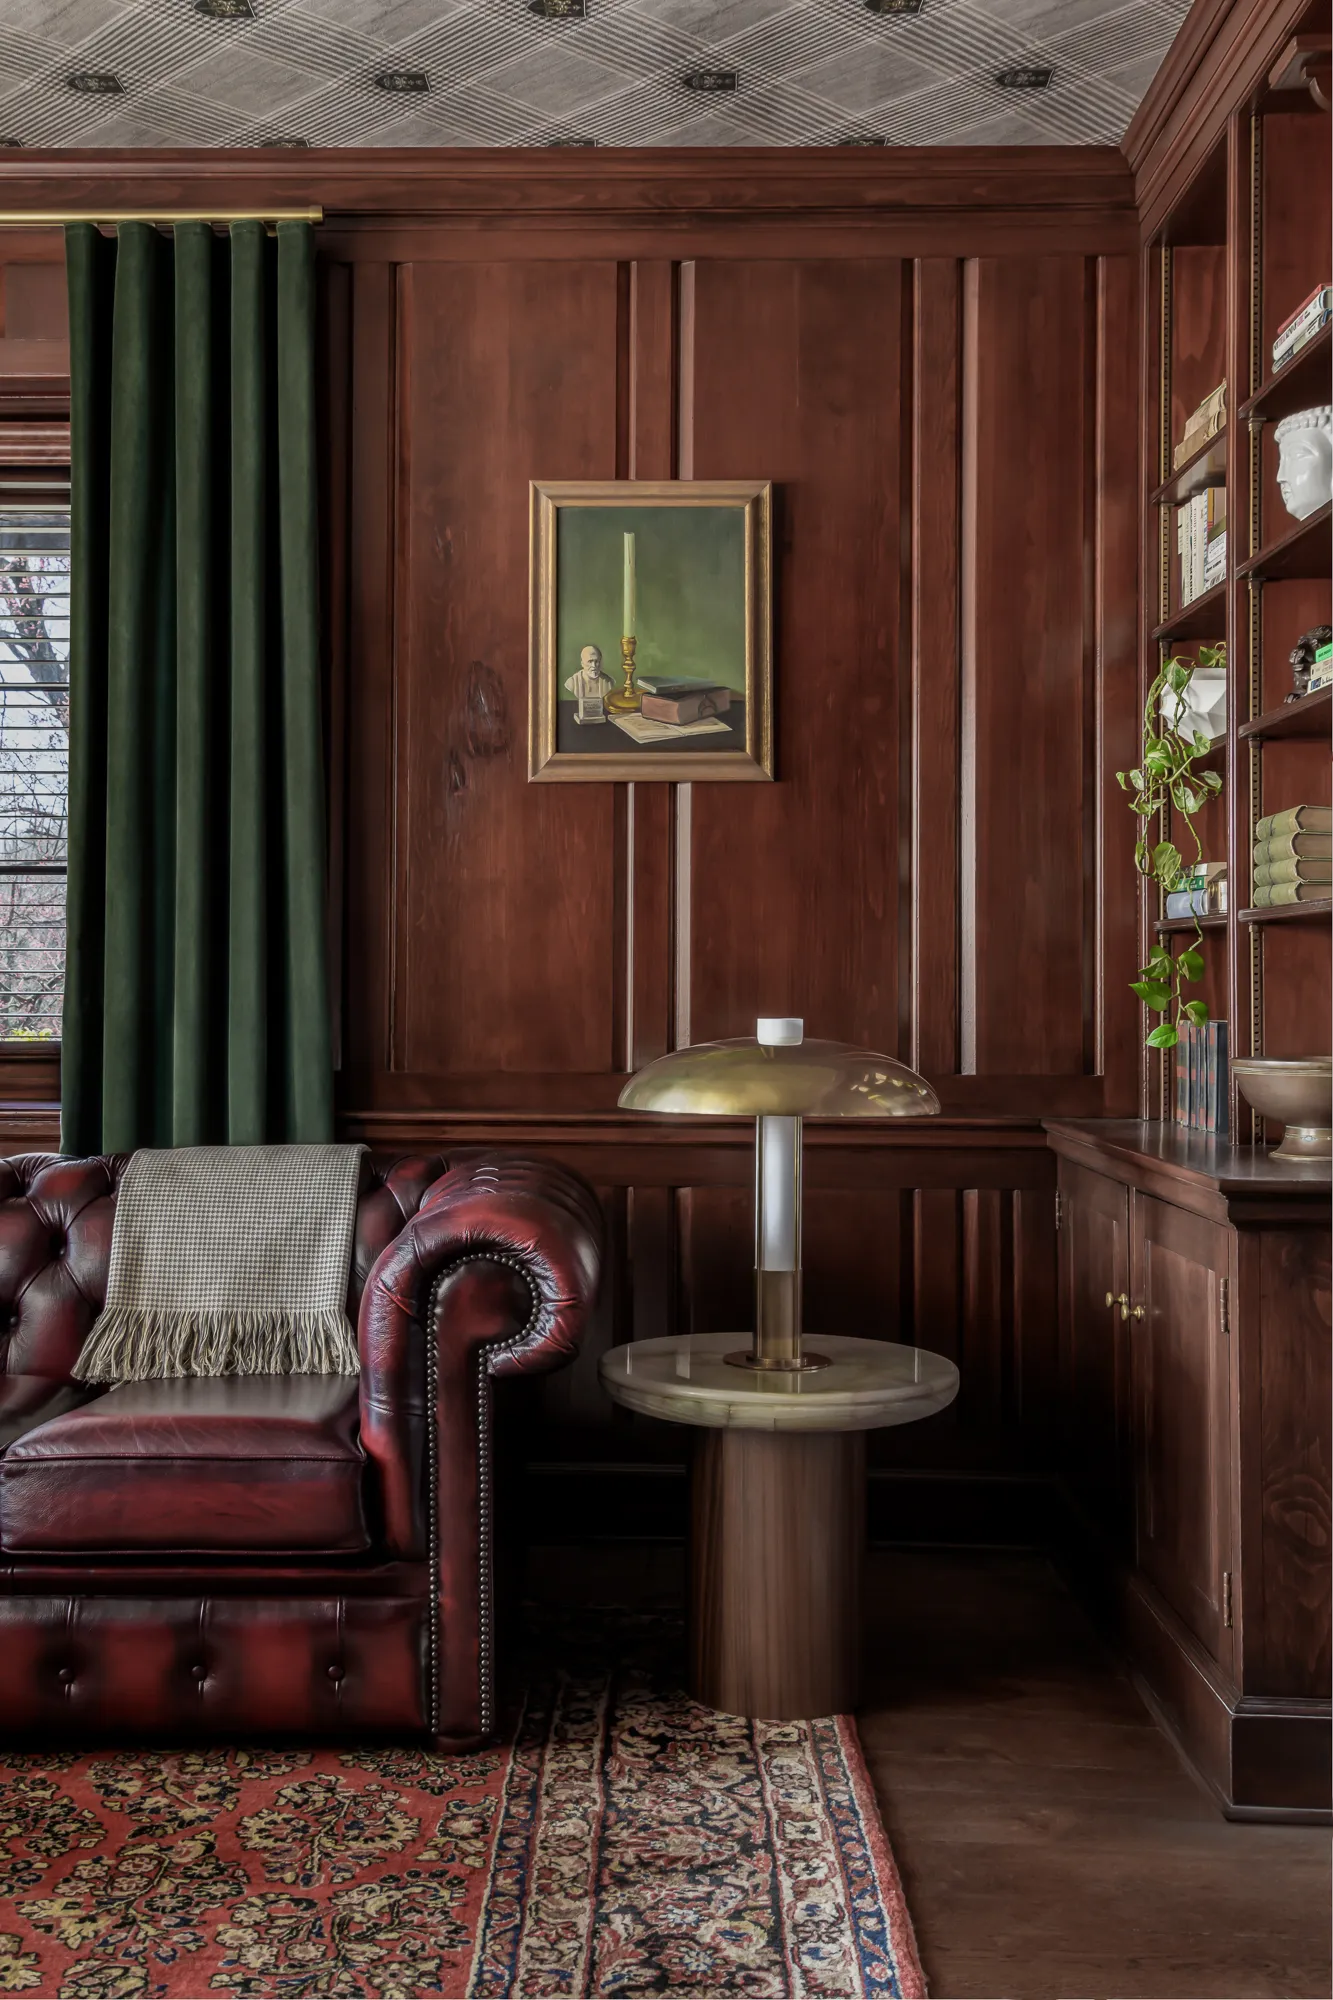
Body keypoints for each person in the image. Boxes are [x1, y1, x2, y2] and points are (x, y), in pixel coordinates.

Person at [565, 643, 614, 724]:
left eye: (596, 661)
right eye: (590, 661)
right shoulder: (572, 682)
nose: (594, 666)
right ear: (582, 663)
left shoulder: (608, 682)